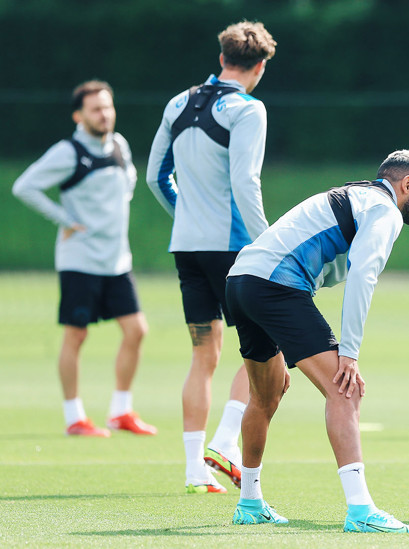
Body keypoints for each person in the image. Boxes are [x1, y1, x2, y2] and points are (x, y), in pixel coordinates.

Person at [223, 150, 409, 532]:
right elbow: (362, 278)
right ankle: (361, 511)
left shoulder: (357, 195)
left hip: (240, 280)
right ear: (407, 185)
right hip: (274, 286)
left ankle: (250, 503)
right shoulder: (385, 211)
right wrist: (349, 354)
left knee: (266, 394)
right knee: (345, 390)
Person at [146, 20, 276, 493]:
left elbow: (155, 177)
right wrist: (267, 242)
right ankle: (224, 441)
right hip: (234, 249)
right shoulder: (248, 110)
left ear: (222, 58)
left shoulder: (178, 102)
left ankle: (192, 470)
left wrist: (188, 216)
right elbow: (245, 183)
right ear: (259, 67)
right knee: (266, 348)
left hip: (187, 246)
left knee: (204, 354)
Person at [12, 81, 155, 438]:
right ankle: (75, 417)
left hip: (117, 261)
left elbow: (129, 181)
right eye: (95, 109)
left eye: (107, 107)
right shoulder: (68, 152)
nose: (104, 114)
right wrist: (64, 220)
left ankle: (121, 411)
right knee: (76, 336)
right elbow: (24, 186)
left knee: (136, 331)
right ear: (79, 116)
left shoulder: (120, 144)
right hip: (80, 261)